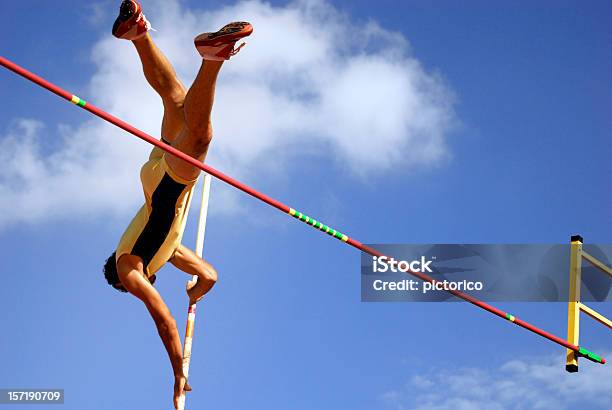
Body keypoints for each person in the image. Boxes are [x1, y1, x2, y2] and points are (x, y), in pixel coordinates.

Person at [101, 1, 252, 408]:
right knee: (177, 100)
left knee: (200, 137)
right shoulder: (164, 252)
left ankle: (213, 58)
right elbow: (208, 273)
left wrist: (178, 372)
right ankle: (138, 33)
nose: (144, 287)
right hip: (156, 176)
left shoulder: (128, 267)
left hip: (167, 185)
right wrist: (197, 290)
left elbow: (163, 321)